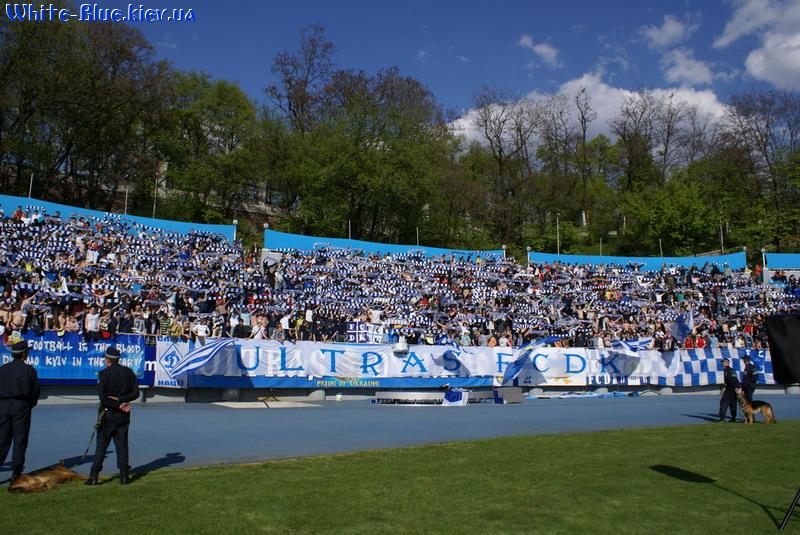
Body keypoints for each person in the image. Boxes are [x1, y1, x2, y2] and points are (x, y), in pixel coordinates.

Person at [85, 347, 140, 486]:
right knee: (122, 445)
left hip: (108, 414)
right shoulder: (129, 372)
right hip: (123, 414)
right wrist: (122, 400)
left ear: (107, 360)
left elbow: (103, 398)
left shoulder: (103, 374)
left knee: (101, 446)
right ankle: (124, 476)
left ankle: (93, 477)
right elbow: (136, 393)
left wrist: (117, 402)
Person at [0, 340, 40, 482]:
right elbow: (35, 393)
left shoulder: (3, 369)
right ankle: (16, 473)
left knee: (2, 439)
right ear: (24, 354)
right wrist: (27, 405)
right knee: (20, 439)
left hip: (3, 406)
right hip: (21, 405)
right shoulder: (29, 370)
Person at [718, 358, 739, 423]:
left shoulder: (729, 371)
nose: (722, 363)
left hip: (731, 389)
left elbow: (734, 380)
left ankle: (726, 419)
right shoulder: (728, 370)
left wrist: (736, 388)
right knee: (726, 404)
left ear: (727, 363)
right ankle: (727, 418)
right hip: (729, 389)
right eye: (722, 362)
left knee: (727, 404)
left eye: (723, 362)